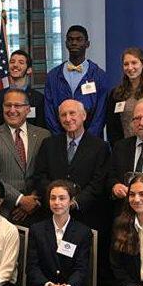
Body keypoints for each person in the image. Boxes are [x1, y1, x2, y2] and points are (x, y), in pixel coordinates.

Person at [33, 99, 110, 232]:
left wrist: (74, 203)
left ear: (84, 115)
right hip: (53, 216)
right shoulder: (49, 144)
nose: (68, 119)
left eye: (72, 113)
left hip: (86, 216)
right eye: (63, 115)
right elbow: (40, 176)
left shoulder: (100, 147)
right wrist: (58, 199)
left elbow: (98, 182)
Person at [0, 88, 51, 225]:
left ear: (28, 109)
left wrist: (33, 200)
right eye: (8, 105)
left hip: (39, 210)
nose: (12, 110)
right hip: (6, 212)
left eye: (17, 105)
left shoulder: (44, 135)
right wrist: (20, 200)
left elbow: (49, 173)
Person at [44, 26, 109, 137]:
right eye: (70, 39)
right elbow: (49, 112)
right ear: (66, 43)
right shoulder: (53, 76)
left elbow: (101, 113)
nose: (74, 43)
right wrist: (61, 138)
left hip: (92, 142)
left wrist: (87, 141)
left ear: (87, 44)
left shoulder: (98, 75)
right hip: (61, 141)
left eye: (79, 39)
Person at [105, 47, 143, 144]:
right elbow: (111, 127)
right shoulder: (115, 94)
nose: (130, 67)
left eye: (134, 63)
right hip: (124, 148)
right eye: (126, 64)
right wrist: (118, 148)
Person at [0, 49, 48, 131]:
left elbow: (41, 130)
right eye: (12, 62)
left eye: (21, 62)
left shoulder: (38, 98)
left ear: (29, 70)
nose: (15, 65)